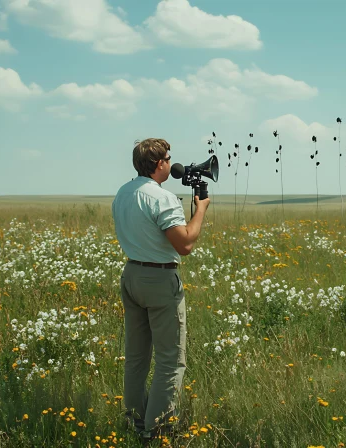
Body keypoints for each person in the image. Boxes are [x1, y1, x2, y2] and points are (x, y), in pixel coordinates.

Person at [111, 138, 210, 440]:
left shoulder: (123, 192)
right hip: (159, 280)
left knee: (137, 357)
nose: (170, 162)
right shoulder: (161, 198)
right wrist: (200, 209)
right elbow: (186, 244)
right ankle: (157, 430)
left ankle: (135, 422)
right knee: (170, 360)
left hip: (132, 274)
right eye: (168, 157)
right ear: (159, 164)